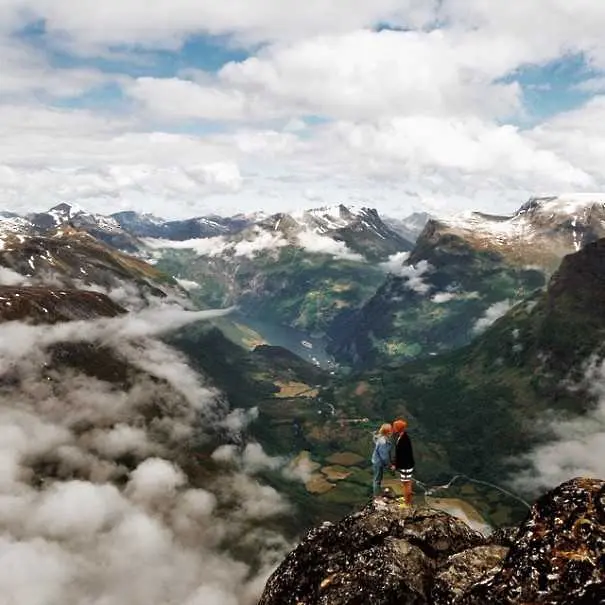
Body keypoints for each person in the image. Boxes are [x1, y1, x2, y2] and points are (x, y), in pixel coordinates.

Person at [392, 418, 415, 505]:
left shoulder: (403, 439)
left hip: (406, 465)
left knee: (406, 484)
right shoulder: (403, 437)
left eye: (394, 427)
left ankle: (407, 503)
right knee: (406, 482)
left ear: (398, 428)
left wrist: (396, 465)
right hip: (407, 464)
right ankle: (406, 499)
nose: (393, 428)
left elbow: (401, 455)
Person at [371, 423, 393, 499]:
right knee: (377, 480)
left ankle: (378, 494)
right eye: (390, 431)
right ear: (387, 432)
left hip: (377, 461)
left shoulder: (380, 438)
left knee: (378, 478)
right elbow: (384, 457)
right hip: (378, 462)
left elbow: (375, 438)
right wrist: (390, 466)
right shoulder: (383, 442)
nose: (392, 432)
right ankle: (377, 497)